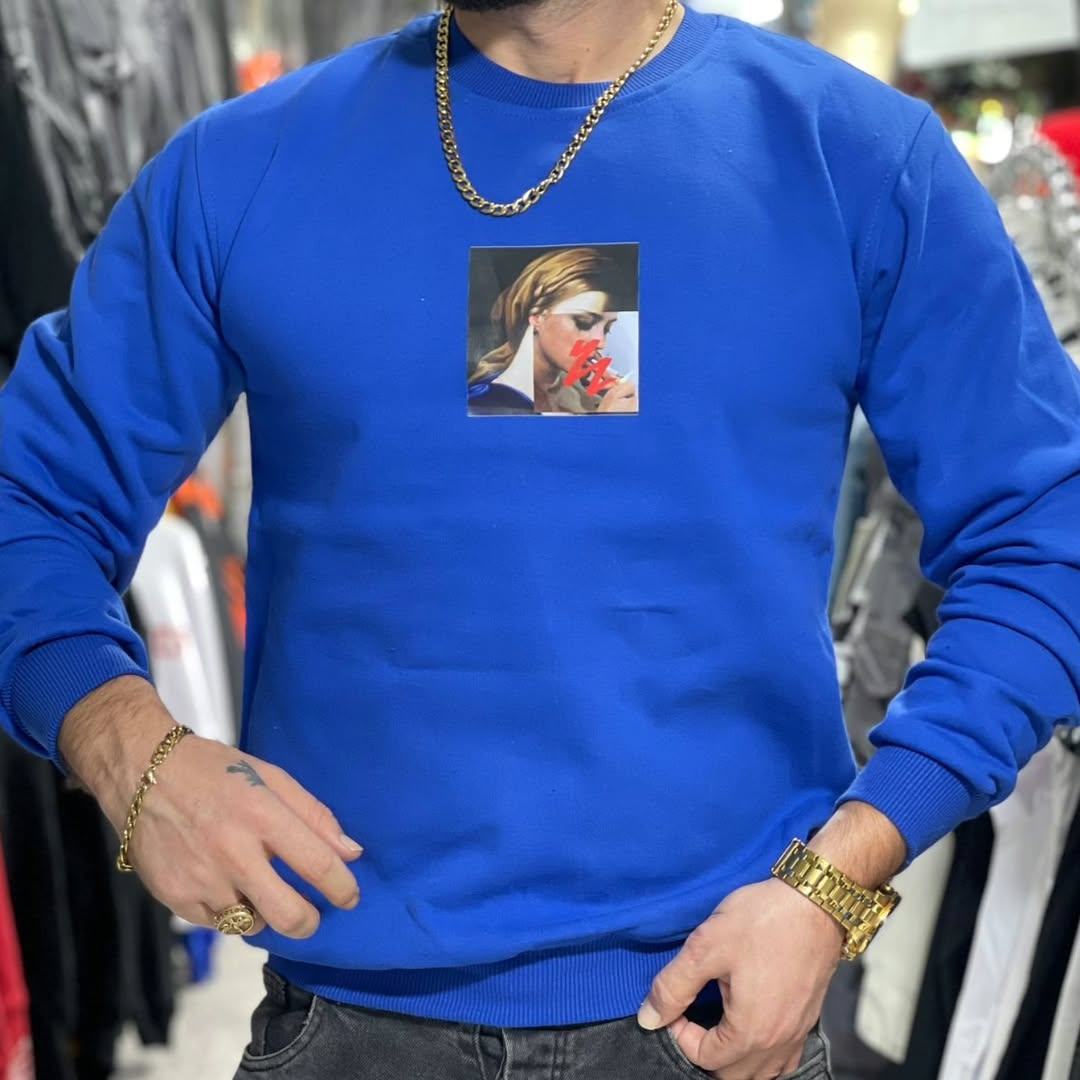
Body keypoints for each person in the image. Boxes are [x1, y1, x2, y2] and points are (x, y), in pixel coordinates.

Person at [1, 1, 1078, 1078]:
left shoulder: (853, 157)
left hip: (716, 1014)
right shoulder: (246, 165)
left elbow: (1046, 533)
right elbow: (28, 499)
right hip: (347, 1023)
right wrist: (133, 753)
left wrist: (840, 878)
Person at [468, 246, 640, 415]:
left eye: (607, 329)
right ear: (537, 317)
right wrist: (606, 420)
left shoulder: (575, 393)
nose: (601, 343)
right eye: (584, 323)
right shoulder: (487, 403)